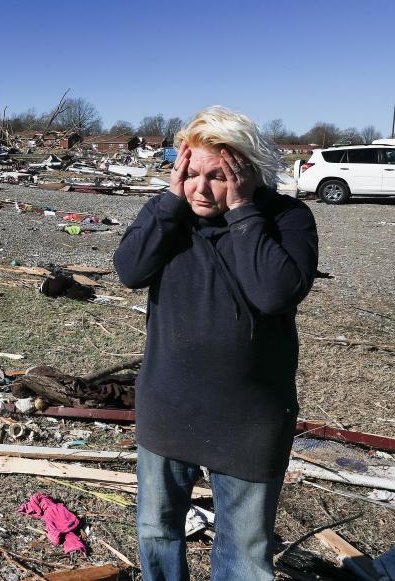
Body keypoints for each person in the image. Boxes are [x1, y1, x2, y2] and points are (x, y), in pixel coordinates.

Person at [113, 106, 318, 581]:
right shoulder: (169, 214)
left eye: (219, 177)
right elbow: (129, 270)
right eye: (192, 174)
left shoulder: (287, 218)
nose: (201, 190)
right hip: (169, 407)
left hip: (249, 416)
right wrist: (168, 201)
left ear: (247, 172)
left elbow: (274, 292)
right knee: (157, 531)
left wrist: (244, 211)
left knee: (245, 550)